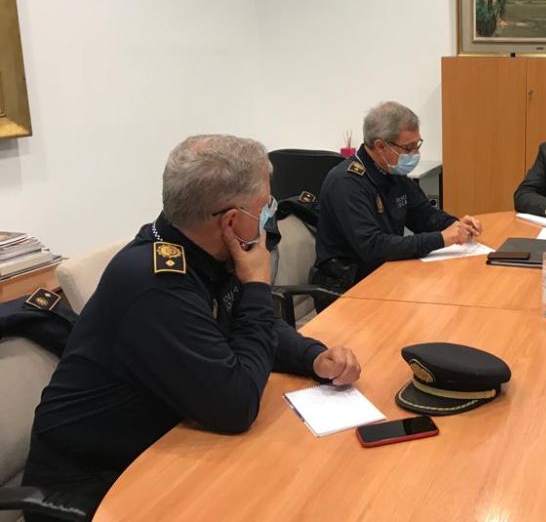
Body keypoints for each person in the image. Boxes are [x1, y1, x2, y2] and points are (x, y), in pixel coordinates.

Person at [22, 135, 362, 521]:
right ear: (231, 221)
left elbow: (246, 322)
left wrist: (312, 357)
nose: (270, 215)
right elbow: (235, 406)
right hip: (94, 489)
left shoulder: (199, 250)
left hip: (169, 444)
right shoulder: (157, 284)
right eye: (265, 206)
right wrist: (256, 284)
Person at [313, 101, 481, 297]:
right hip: (348, 287)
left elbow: (424, 215)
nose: (415, 154)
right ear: (381, 146)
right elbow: (373, 247)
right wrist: (441, 238)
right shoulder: (346, 183)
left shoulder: (392, 172)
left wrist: (457, 226)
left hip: (386, 273)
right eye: (409, 148)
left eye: (417, 145)